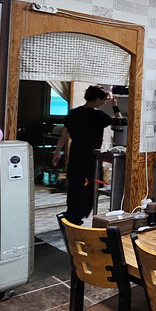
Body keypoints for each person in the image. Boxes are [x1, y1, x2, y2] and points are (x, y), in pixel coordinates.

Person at [52, 85, 121, 225]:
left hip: (76, 153)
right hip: (92, 155)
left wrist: (57, 152)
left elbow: (64, 136)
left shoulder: (73, 113)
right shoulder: (99, 116)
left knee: (74, 184)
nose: (104, 103)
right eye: (103, 100)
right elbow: (120, 121)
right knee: (93, 184)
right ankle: (82, 212)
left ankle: (73, 214)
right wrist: (114, 105)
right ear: (97, 100)